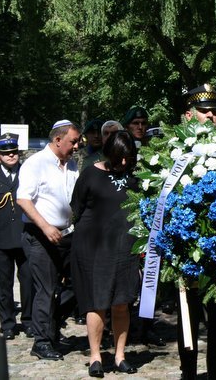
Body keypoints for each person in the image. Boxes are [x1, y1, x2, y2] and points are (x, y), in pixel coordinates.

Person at [70, 130, 139, 377]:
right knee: (97, 304)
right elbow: (75, 209)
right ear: (110, 153)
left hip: (125, 248)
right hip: (93, 248)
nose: (123, 162)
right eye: (120, 157)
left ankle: (120, 355)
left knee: (121, 303)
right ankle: (96, 356)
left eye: (128, 158)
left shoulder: (135, 177)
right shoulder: (91, 173)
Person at [178, 84, 216, 380]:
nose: (211, 116)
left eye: (215, 112)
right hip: (186, 247)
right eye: (204, 111)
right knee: (187, 317)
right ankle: (188, 373)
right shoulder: (174, 151)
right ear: (189, 115)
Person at [16, 119, 81, 361]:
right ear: (58, 140)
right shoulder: (36, 163)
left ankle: (51, 326)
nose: (77, 146)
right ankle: (42, 341)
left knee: (78, 283)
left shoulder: (72, 164)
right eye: (73, 141)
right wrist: (45, 226)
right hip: (39, 235)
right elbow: (23, 199)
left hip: (67, 235)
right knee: (46, 289)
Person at [0, 133, 33, 339]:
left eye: (14, 152)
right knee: (3, 285)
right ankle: (7, 324)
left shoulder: (27, 172)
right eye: (6, 153)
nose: (11, 156)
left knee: (28, 281)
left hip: (25, 236)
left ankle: (29, 320)